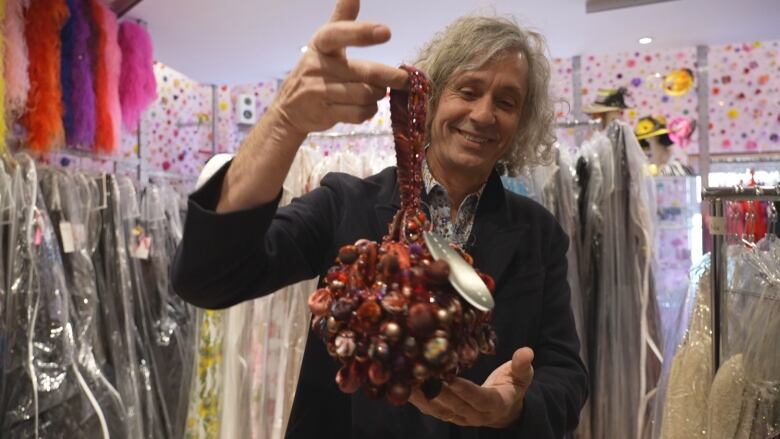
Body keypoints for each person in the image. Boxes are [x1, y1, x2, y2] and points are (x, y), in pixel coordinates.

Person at [172, 0, 588, 437]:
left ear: (520, 122)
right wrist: (284, 122)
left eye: (506, 102)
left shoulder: (540, 234)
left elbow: (566, 376)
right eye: (468, 91)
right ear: (431, 98)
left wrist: (512, 409)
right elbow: (209, 278)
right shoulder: (345, 202)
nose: (484, 115)